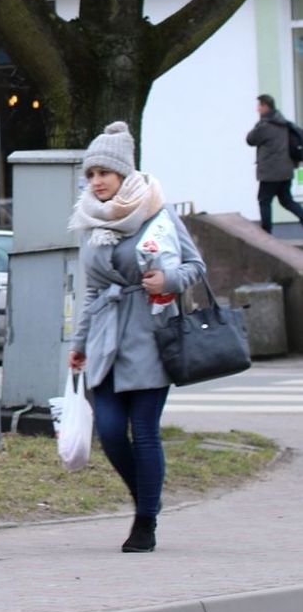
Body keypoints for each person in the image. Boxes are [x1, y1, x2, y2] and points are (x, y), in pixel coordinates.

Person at [67, 121, 206, 553]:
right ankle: (149, 495)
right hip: (105, 338)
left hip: (151, 333)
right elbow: (90, 289)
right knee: (109, 432)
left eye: (103, 173)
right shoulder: (90, 219)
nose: (96, 182)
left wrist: (168, 277)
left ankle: (144, 522)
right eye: (90, 175)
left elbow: (196, 266)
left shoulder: (157, 212)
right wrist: (78, 344)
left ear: (124, 173)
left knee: (144, 431)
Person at [245, 93, 303, 234]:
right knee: (286, 200)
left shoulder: (265, 126)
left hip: (271, 173)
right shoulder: (284, 123)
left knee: (264, 201)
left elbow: (250, 139)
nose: (257, 109)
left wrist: (259, 123)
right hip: (286, 171)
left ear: (265, 106)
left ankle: (266, 233)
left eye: (259, 106)